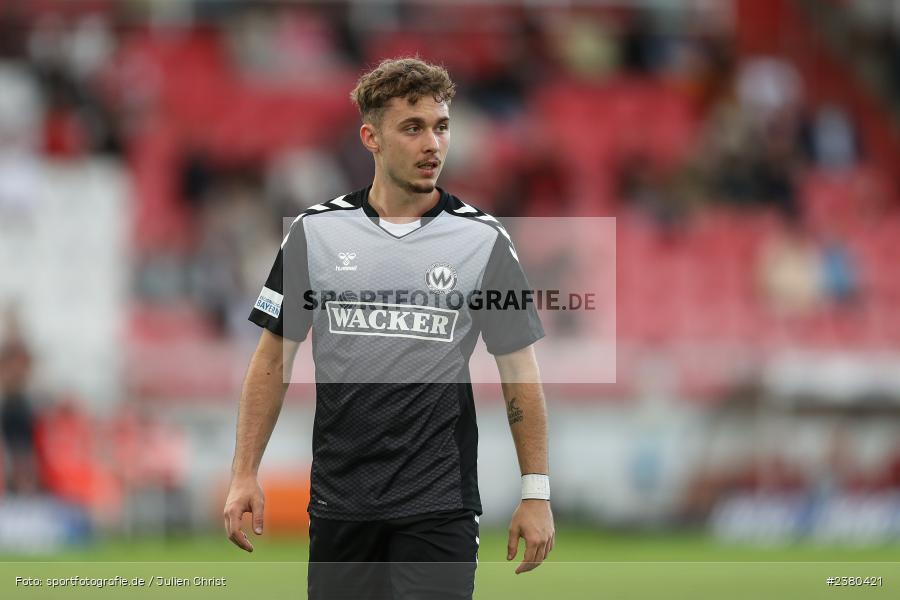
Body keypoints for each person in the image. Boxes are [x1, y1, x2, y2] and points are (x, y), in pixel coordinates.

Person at [223, 57, 554, 599]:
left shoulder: (482, 240)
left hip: (439, 504)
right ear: (370, 137)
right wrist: (244, 473)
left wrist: (535, 492)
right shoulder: (315, 234)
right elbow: (270, 360)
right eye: (413, 128)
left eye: (442, 127)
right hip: (340, 503)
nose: (433, 144)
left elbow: (519, 370)